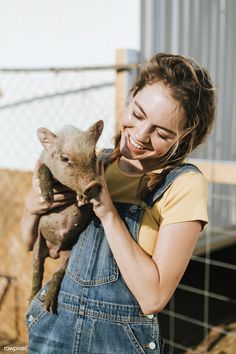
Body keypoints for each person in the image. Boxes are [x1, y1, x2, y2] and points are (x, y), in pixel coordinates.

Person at [21, 53, 216, 354]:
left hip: (116, 344)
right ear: (131, 96)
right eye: (137, 115)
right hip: (53, 331)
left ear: (185, 138)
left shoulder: (182, 185)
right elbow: (28, 241)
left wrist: (107, 211)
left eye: (161, 132)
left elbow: (153, 297)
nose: (140, 136)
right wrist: (32, 207)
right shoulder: (91, 163)